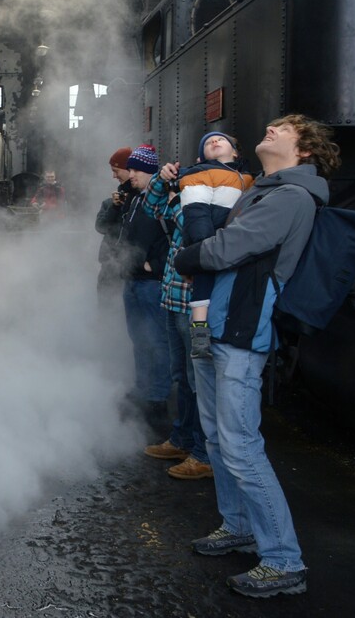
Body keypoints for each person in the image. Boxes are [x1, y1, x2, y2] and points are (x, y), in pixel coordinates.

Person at [173, 114, 341, 598]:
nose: (269, 128)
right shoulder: (264, 189)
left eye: (283, 128)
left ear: (304, 150)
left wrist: (188, 257)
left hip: (242, 332)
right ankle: (239, 525)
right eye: (269, 125)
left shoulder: (290, 197)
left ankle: (284, 560)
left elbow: (228, 247)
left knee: (241, 445)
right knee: (219, 439)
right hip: (218, 325)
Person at [138, 161, 211, 480]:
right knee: (181, 375)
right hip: (174, 298)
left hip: (196, 306)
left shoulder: (219, 198)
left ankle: (204, 453)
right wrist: (160, 180)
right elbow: (152, 207)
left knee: (201, 380)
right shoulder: (183, 199)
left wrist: (176, 197)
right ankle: (182, 439)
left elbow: (202, 235)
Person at [175, 132, 255, 358]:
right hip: (209, 240)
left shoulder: (249, 179)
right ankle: (199, 335)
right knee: (203, 285)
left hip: (231, 243)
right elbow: (196, 209)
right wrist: (203, 244)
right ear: (202, 158)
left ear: (235, 151)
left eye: (221, 140)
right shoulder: (200, 173)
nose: (214, 141)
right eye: (208, 143)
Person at [118, 144, 171, 426]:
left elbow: (179, 234)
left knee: (157, 343)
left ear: (150, 170)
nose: (130, 173)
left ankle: (157, 400)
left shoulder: (162, 200)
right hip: (135, 280)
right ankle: (142, 391)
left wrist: (158, 265)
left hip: (152, 283)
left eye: (135, 169)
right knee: (139, 340)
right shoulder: (136, 198)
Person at [94, 148, 133, 310]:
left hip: (130, 266)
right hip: (109, 264)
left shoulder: (140, 201)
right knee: (106, 305)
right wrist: (114, 208)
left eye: (116, 171)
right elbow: (100, 227)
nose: (114, 176)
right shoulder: (109, 203)